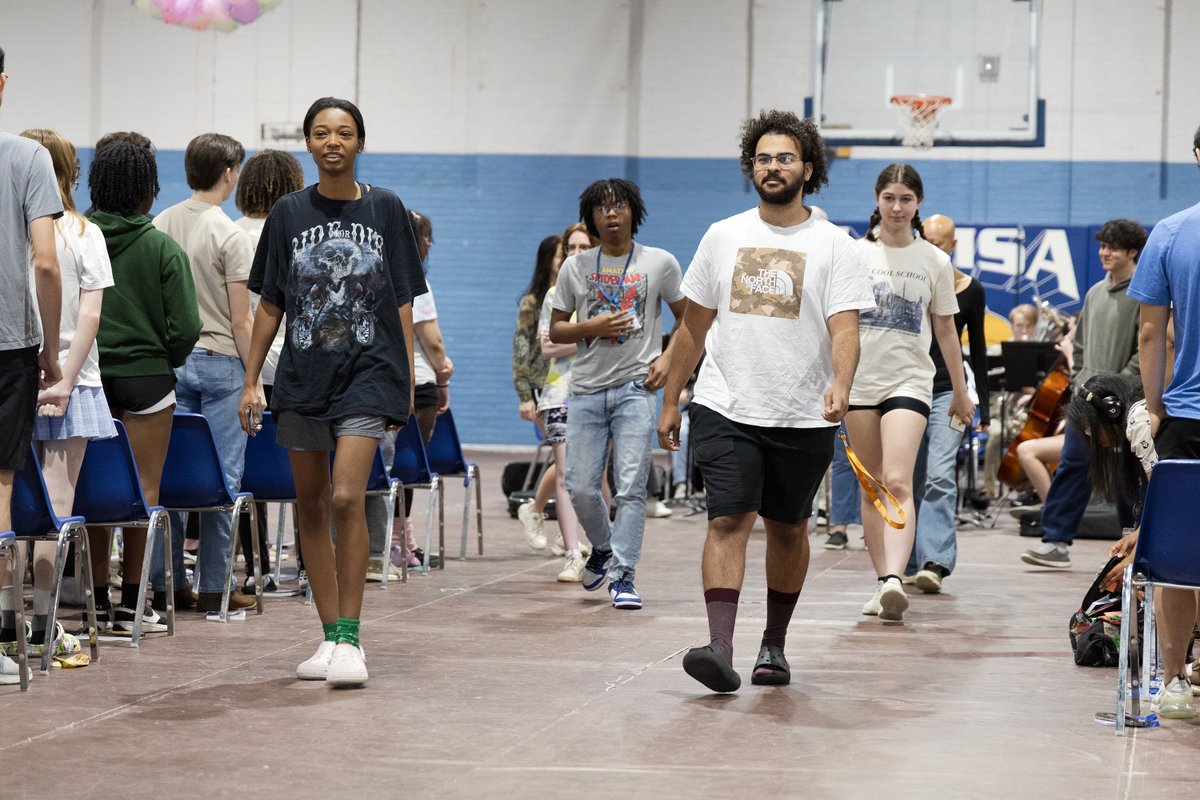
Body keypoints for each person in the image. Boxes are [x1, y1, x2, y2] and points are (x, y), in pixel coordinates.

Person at [657, 110, 873, 692]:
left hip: (802, 412)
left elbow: (846, 328)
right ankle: (719, 647)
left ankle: (773, 646)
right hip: (725, 403)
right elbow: (692, 329)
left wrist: (843, 384)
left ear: (808, 168)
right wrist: (673, 398)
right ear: (750, 167)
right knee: (728, 518)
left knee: (787, 528)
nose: (772, 167)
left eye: (784, 158)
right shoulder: (723, 235)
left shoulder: (835, 246)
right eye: (762, 158)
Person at [241, 96, 426, 688]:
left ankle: (351, 637)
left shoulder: (386, 207)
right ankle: (327, 636)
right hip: (301, 378)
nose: (332, 142)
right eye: (321, 133)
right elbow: (270, 302)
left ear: (360, 143)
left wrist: (407, 378)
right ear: (309, 144)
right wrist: (250, 380)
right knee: (312, 505)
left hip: (370, 376)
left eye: (344, 132)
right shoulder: (288, 213)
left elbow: (403, 298)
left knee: (348, 497)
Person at [549, 178, 686, 610]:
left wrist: (666, 359)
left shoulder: (659, 262)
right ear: (590, 218)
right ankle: (603, 548)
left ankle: (623, 575)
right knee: (579, 488)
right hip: (587, 390)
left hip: (635, 389)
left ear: (634, 212)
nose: (611, 214)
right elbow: (556, 329)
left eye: (620, 206)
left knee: (630, 488)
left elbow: (688, 320)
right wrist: (592, 327)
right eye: (602, 208)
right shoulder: (576, 267)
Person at [5, 130, 116, 656]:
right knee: (55, 512)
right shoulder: (84, 234)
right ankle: (46, 623)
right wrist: (66, 376)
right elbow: (91, 315)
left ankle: (11, 624)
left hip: (20, 373)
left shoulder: (15, 230)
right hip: (75, 382)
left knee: (15, 511)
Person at [846, 164, 974, 622]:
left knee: (898, 481)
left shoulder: (934, 262)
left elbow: (946, 332)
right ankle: (883, 582)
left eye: (906, 199)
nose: (897, 207)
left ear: (918, 203)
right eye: (889, 198)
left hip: (910, 383)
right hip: (859, 383)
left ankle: (897, 577)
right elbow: (834, 325)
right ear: (877, 201)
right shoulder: (852, 254)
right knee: (872, 484)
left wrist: (960, 393)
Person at [88, 140, 202, 627]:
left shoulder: (76, 239)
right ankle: (132, 607)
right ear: (147, 189)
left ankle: (94, 603)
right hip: (148, 382)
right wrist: (162, 358)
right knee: (144, 493)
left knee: (91, 494)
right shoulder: (162, 247)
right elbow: (188, 326)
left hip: (88, 380)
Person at [152, 133, 260, 612]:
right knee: (224, 480)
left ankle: (168, 586)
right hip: (221, 363)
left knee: (172, 480)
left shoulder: (160, 223)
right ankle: (216, 588)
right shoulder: (229, 233)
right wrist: (253, 379)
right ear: (230, 172)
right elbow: (242, 319)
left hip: (173, 363)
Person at [1019, 219, 1145, 569]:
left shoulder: (1143, 293)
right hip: (1087, 402)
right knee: (1073, 466)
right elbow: (1081, 345)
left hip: (1124, 404)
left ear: (1132, 252)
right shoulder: (1094, 293)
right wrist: (1080, 386)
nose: (1105, 253)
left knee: (1126, 472)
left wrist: (1119, 389)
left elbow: (1143, 348)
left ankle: (1130, 542)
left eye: (1113, 248)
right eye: (1102, 246)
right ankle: (1056, 543)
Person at [1129, 131, 1200, 716]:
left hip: (1187, 419)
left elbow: (1151, 332)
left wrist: (1153, 405)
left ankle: (1175, 679)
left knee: (1178, 553)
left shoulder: (1171, 233)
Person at [0, 47, 64, 683]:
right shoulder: (26, 156)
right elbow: (46, 261)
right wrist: (48, 349)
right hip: (6, 343)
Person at [234, 149, 307, 594]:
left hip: (249, 368)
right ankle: (305, 565)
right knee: (305, 468)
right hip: (293, 369)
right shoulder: (298, 232)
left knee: (248, 472)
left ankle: (255, 567)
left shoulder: (231, 232)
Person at [905, 213, 990, 593]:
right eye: (928, 239)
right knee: (908, 478)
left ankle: (934, 561)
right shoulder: (912, 280)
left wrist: (981, 403)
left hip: (949, 393)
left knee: (940, 475)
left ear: (954, 245)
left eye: (942, 242)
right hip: (908, 389)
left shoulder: (972, 291)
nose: (935, 246)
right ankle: (904, 560)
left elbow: (980, 351)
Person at [537, 223, 592, 581]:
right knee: (566, 474)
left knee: (597, 477)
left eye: (582, 247)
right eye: (569, 247)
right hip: (560, 392)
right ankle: (572, 554)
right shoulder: (555, 294)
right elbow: (547, 347)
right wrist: (590, 334)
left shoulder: (607, 292)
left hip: (597, 391)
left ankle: (602, 547)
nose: (575, 253)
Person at [514, 235, 564, 552]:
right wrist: (524, 395)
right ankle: (534, 510)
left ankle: (564, 530)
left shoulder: (576, 296)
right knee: (568, 459)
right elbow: (520, 348)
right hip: (541, 385)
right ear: (549, 260)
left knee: (573, 462)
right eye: (562, 255)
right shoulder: (532, 301)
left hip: (569, 384)